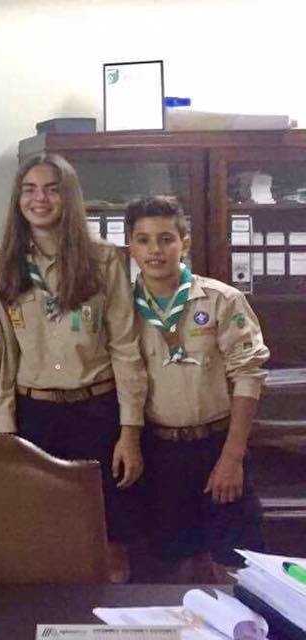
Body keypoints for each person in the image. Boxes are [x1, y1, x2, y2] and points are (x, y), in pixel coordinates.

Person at [0, 153, 148, 582]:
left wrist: (130, 432)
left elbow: (126, 348)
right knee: (42, 535)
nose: (39, 199)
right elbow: (6, 353)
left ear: (69, 197)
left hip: (96, 413)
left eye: (51, 189)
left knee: (110, 540)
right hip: (36, 414)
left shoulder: (104, 259)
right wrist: (5, 428)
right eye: (29, 189)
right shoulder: (3, 262)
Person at [124, 196, 268, 582]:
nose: (155, 250)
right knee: (171, 564)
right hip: (160, 450)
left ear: (184, 243)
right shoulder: (122, 309)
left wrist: (232, 457)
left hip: (217, 444)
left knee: (236, 564)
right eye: (144, 240)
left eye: (166, 239)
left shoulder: (222, 299)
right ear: (131, 247)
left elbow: (248, 374)